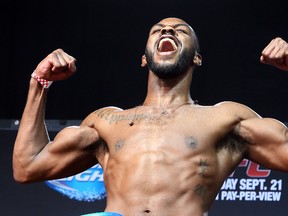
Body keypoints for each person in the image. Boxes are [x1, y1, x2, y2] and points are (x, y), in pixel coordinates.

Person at [12, 17, 288, 216]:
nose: (168, 30)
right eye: (158, 30)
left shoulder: (226, 118)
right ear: (144, 58)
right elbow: (27, 167)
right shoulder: (106, 122)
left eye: (181, 31)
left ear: (197, 58)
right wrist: (39, 82)